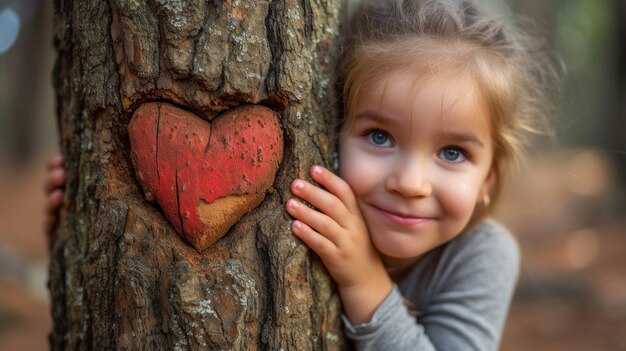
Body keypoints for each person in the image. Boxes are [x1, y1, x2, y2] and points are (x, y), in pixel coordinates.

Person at [46, 0, 558, 349]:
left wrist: (363, 279)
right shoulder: (308, 211)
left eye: (452, 152)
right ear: (329, 131)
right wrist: (78, 226)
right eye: (380, 137)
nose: (410, 182)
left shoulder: (481, 256)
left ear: (491, 177)